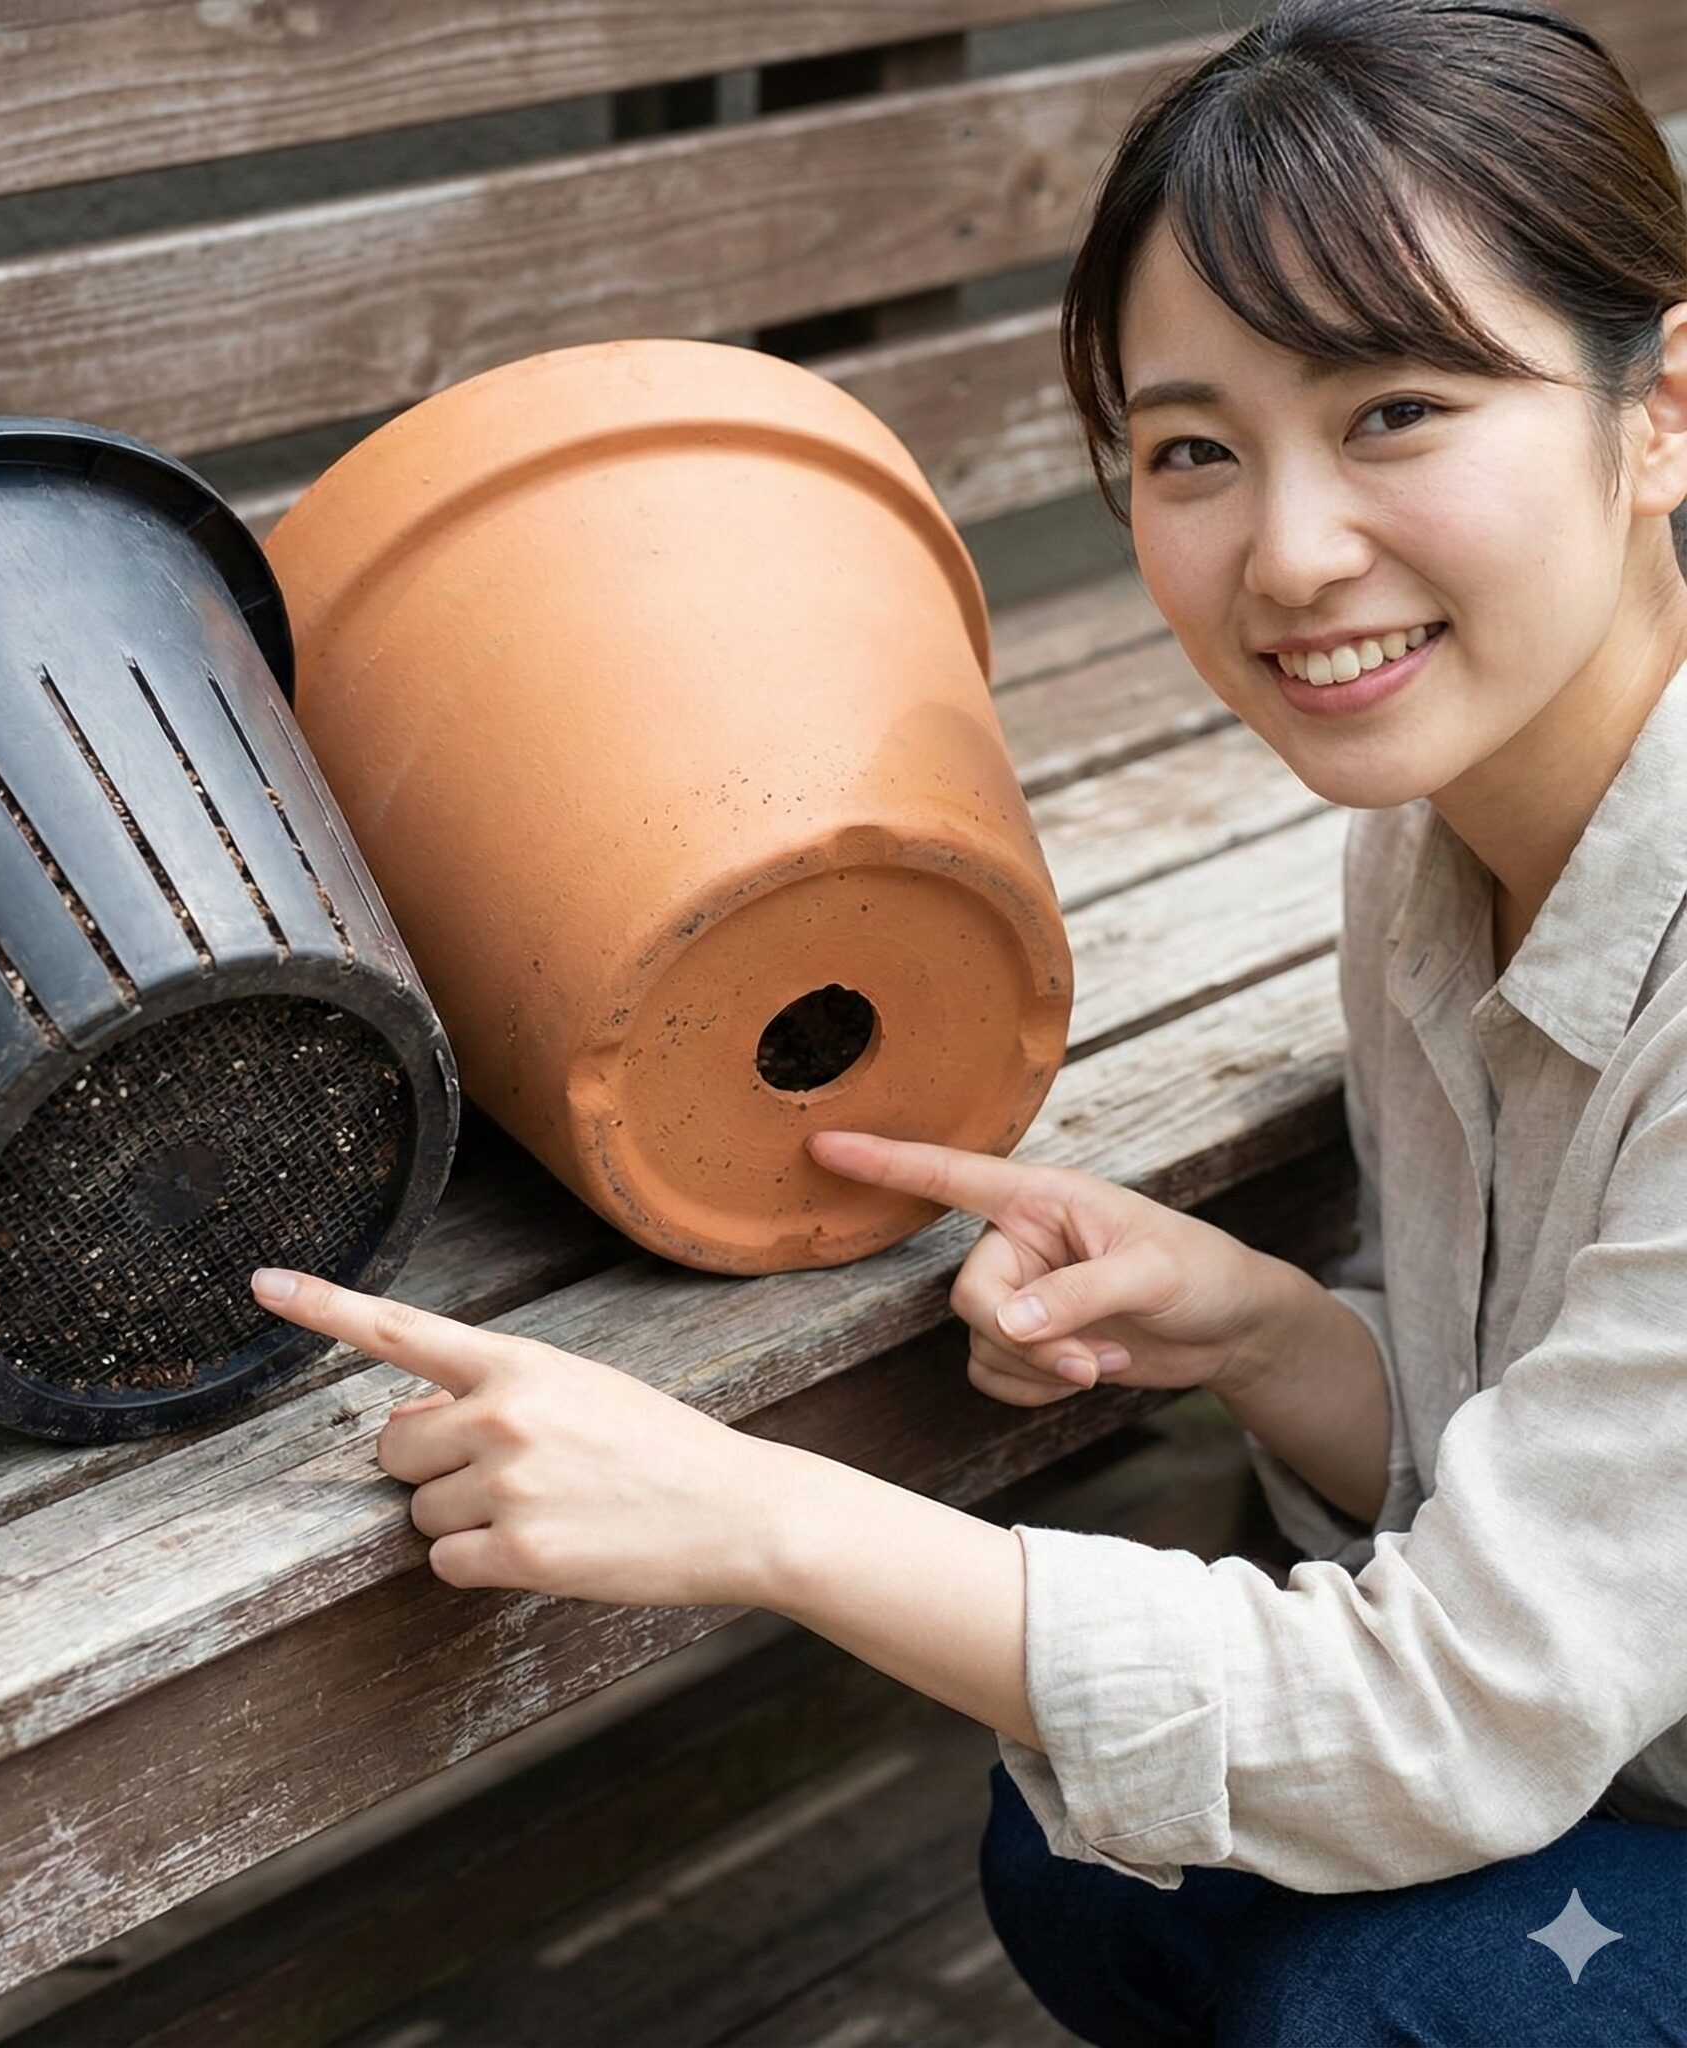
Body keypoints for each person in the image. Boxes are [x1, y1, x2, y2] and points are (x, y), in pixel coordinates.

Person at [248, 0, 1687, 2036]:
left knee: (1404, 1993)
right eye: (1193, 448)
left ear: (1660, 412)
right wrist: (1275, 1337)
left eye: (1394, 413)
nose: (1287, 554)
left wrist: (756, 1511)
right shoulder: (1440, 829)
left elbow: (1449, 1707)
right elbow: (1588, 1510)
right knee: (1098, 1849)